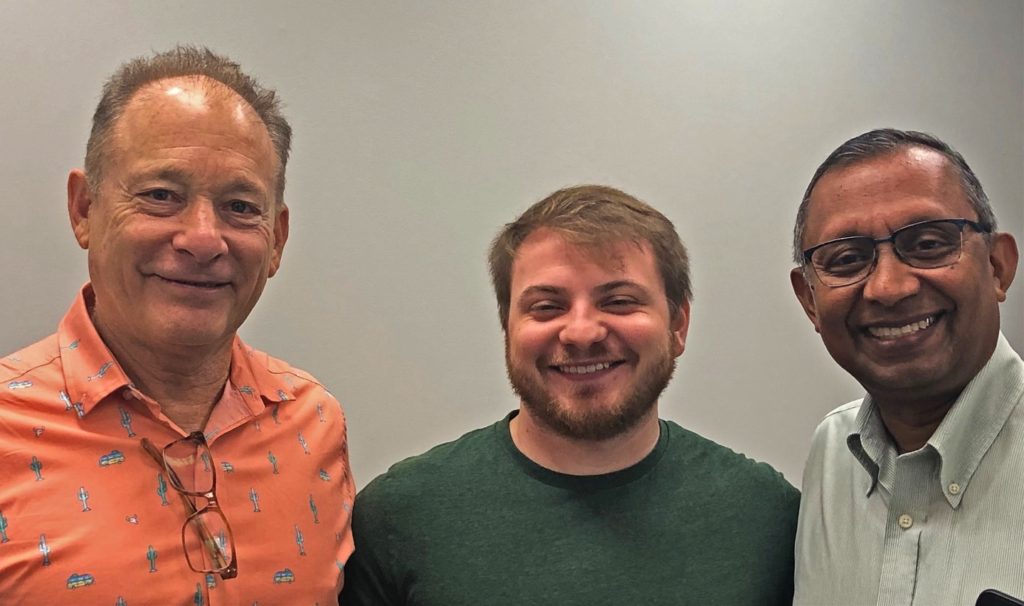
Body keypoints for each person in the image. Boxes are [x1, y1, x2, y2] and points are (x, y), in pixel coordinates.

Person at [0, 46, 355, 604]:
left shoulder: (313, 423)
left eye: (240, 206)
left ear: (277, 240)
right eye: (161, 196)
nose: (203, 239)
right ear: (84, 209)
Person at [341, 185, 799, 605]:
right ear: (507, 329)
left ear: (678, 325)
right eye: (547, 307)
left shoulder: (767, 517)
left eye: (619, 301)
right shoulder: (398, 517)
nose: (581, 332)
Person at [790, 128, 1021, 605]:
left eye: (929, 244)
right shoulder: (832, 454)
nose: (889, 288)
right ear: (810, 301)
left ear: (998, 266)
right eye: (848, 259)